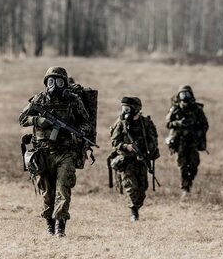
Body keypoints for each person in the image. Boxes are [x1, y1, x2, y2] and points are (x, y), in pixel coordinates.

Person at [18, 66, 93, 237]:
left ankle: (60, 225)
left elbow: (86, 123)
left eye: (59, 81)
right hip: (43, 152)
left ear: (64, 83)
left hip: (66, 153)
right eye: (51, 81)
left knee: (63, 189)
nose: (54, 85)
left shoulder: (73, 101)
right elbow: (22, 119)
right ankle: (49, 224)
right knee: (47, 192)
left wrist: (76, 134)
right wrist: (39, 119)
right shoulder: (39, 99)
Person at [109, 96, 160, 221]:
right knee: (131, 187)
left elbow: (153, 140)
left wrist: (146, 150)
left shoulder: (146, 123)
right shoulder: (121, 123)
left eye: (127, 108)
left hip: (142, 160)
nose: (125, 111)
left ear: (136, 109)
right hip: (126, 160)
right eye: (123, 108)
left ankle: (136, 207)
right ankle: (133, 212)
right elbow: (114, 141)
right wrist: (126, 146)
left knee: (142, 188)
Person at [165, 85, 209, 199]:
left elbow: (205, 124)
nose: (184, 97)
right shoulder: (175, 109)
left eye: (187, 94)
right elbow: (168, 124)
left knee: (194, 165)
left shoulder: (197, 109)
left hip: (193, 141)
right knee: (183, 165)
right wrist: (178, 123)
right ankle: (185, 188)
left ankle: (189, 182)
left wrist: (198, 132)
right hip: (180, 141)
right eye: (182, 94)